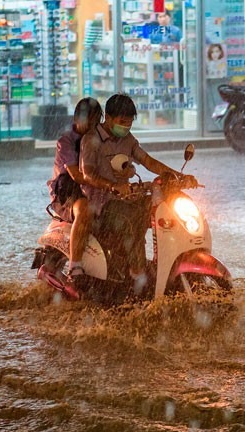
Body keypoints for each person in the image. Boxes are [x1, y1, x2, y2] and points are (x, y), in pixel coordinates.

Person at [80, 93, 195, 296]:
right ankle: (138, 276)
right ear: (108, 117)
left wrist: (178, 177)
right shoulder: (91, 140)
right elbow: (87, 174)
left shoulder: (128, 140)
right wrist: (112, 186)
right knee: (132, 219)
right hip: (101, 205)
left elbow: (148, 161)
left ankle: (164, 265)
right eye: (122, 122)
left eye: (130, 123)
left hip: (125, 199)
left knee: (161, 209)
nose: (126, 127)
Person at [46, 97, 103, 289]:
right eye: (89, 121)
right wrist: (107, 183)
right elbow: (76, 176)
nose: (92, 126)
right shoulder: (67, 141)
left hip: (94, 189)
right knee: (85, 211)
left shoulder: (101, 138)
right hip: (67, 192)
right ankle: (74, 266)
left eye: (96, 121)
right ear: (77, 118)